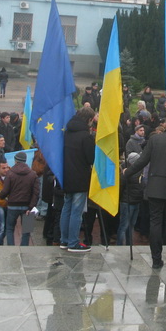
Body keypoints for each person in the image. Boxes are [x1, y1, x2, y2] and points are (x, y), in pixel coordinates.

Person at [124, 113, 166, 269]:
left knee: (155, 222)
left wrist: (127, 172)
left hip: (154, 187)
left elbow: (142, 160)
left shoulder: (154, 139)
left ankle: (156, 259)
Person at [60, 106, 96, 253]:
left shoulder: (67, 132)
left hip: (66, 175)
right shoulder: (86, 136)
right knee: (76, 211)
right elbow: (90, 159)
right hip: (80, 177)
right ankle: (73, 242)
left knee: (66, 208)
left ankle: (64, 240)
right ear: (88, 120)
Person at [0, 152, 40, 246]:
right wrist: (31, 207)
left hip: (12, 206)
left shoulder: (10, 173)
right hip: (28, 207)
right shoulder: (33, 174)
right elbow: (36, 193)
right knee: (27, 231)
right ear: (25, 161)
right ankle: (24, 250)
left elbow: (5, 190)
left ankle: (11, 249)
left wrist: (0, 196)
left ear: (15, 160)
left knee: (9, 229)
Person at [118, 152, 145, 246]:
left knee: (131, 226)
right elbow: (121, 186)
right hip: (127, 202)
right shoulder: (127, 172)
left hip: (136, 201)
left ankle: (129, 244)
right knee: (124, 226)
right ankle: (120, 245)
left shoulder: (140, 171)